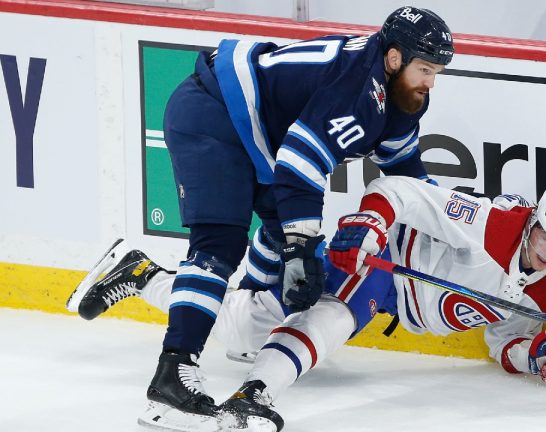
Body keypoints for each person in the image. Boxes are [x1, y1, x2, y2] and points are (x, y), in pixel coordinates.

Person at [67, 5, 454, 431]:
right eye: (424, 69)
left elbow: (405, 169)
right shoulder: (357, 86)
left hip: (258, 137)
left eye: (435, 72)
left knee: (294, 258)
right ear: (394, 57)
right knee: (221, 245)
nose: (429, 82)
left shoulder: (402, 93)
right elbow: (300, 164)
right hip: (213, 112)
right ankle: (171, 377)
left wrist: (454, 227)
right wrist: (299, 243)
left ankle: (149, 277)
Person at [67, 176, 546, 431]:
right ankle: (254, 395)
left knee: (242, 334)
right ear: (533, 220)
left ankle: (140, 274)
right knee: (336, 316)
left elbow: (500, 336)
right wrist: (368, 226)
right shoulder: (492, 223)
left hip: (394, 297)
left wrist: (539, 353)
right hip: (375, 258)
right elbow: (402, 192)